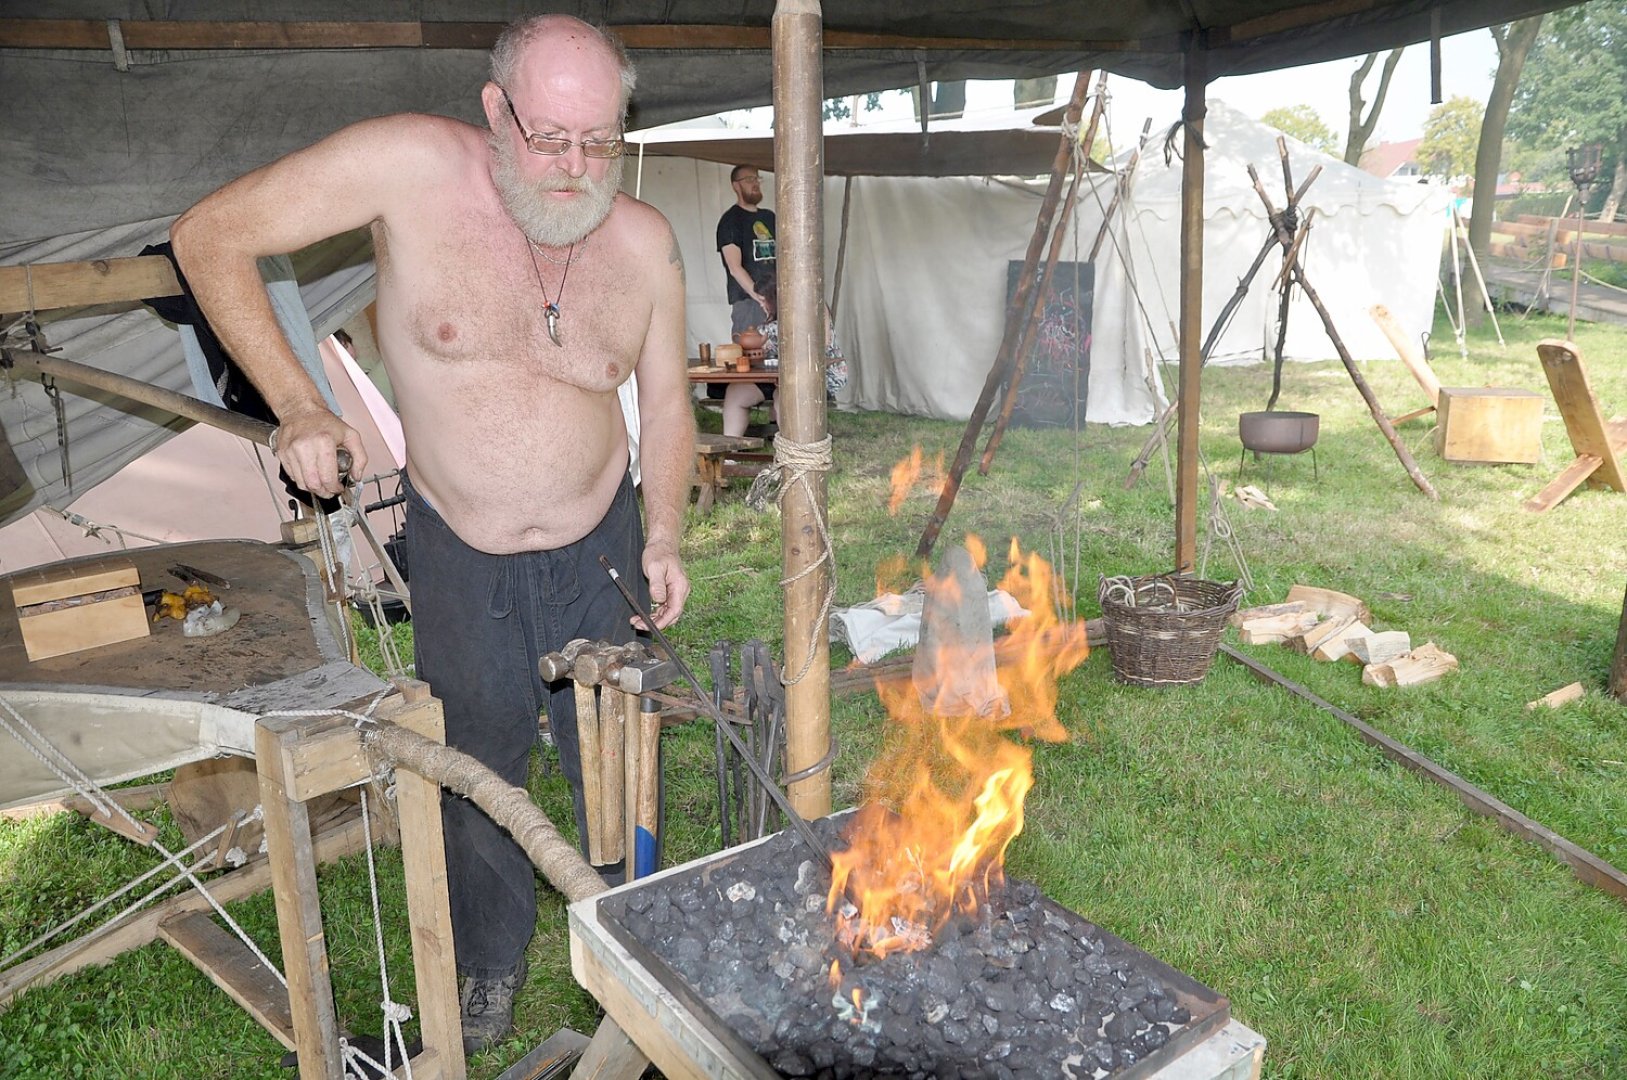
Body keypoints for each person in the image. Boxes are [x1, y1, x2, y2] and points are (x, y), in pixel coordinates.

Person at [170, 14, 694, 1053]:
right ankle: (489, 967)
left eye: (601, 141)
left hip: (601, 546)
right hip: (460, 550)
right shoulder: (407, 167)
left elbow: (669, 406)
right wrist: (299, 405)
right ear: (496, 111)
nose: (575, 167)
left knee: (623, 763)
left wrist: (665, 535)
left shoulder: (641, 242)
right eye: (550, 138)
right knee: (477, 760)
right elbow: (208, 237)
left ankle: (630, 966)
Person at [716, 165, 775, 337]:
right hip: (749, 301)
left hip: (777, 299)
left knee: (779, 357)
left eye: (757, 179)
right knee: (750, 357)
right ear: (736, 186)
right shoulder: (731, 220)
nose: (755, 183)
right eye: (749, 180)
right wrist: (759, 297)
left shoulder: (769, 217)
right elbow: (735, 267)